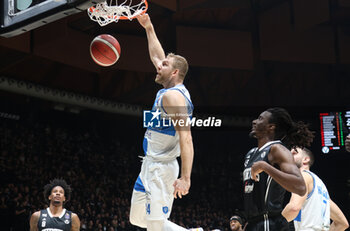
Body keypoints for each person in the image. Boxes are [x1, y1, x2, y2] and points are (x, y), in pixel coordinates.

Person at [129, 13, 195, 231]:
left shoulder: (173, 97)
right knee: (137, 219)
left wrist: (186, 178)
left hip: (162, 168)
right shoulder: (168, 90)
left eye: (164, 65)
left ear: (175, 72)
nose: (158, 66)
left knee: (155, 227)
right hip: (149, 163)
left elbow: (186, 138)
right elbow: (157, 56)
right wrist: (148, 27)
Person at [243, 107, 314, 231]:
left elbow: (301, 187)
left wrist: (266, 167)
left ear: (271, 127)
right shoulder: (251, 154)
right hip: (253, 222)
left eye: (260, 119)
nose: (254, 121)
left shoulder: (277, 149)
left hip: (269, 222)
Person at [282, 147, 349, 231]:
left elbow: (293, 208)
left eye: (294, 153)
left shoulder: (303, 176)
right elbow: (342, 223)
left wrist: (274, 225)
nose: (289, 156)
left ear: (306, 159)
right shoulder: (321, 187)